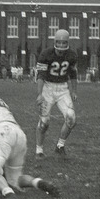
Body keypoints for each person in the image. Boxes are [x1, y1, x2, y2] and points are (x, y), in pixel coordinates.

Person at [34, 29, 78, 159]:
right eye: (59, 44)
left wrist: (74, 91)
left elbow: (73, 74)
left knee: (71, 118)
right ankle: (39, 150)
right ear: (55, 43)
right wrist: (39, 94)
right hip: (48, 88)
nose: (61, 48)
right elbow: (41, 75)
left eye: (64, 44)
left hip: (63, 89)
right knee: (44, 122)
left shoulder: (72, 55)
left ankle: (60, 145)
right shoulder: (46, 54)